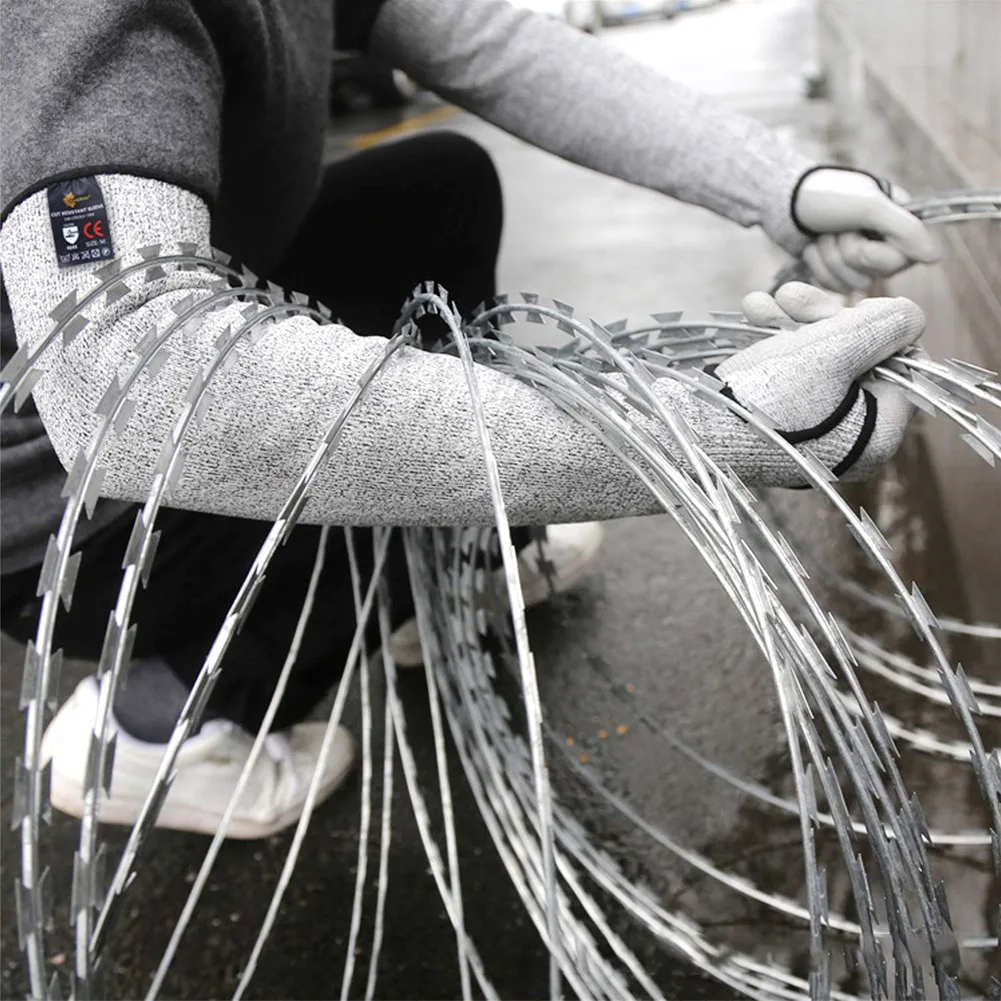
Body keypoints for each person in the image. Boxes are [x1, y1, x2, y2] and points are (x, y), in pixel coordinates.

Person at [0, 0, 938, 839]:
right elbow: (139, 387)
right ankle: (151, 731)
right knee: (366, 464)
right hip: (63, 512)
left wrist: (783, 186)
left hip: (168, 342)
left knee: (435, 187)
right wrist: (708, 429)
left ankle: (460, 561)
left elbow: (494, 43)